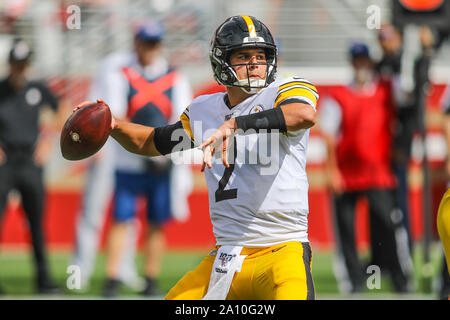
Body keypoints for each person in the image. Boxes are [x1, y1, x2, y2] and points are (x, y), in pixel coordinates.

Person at [75, 15, 318, 300]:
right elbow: (152, 141)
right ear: (223, 61)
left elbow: (303, 115)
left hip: (282, 251)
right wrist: (114, 125)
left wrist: (236, 124)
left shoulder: (285, 90)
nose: (254, 63)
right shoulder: (205, 110)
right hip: (226, 256)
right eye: (243, 55)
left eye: (260, 56)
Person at [100, 20, 193, 298]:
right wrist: (141, 145)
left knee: (156, 221)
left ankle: (150, 277)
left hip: (162, 162)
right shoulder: (122, 74)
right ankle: (112, 277)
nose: (150, 49)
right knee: (121, 218)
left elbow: (182, 117)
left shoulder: (175, 77)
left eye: (154, 43)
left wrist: (162, 151)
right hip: (128, 160)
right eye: (145, 42)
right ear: (136, 43)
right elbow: (116, 115)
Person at [319, 42, 413, 294]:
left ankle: (400, 278)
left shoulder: (386, 87)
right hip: (347, 174)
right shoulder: (339, 95)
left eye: (364, 60)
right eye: (357, 60)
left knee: (388, 226)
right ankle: (354, 281)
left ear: (370, 63)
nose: (361, 65)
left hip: (379, 173)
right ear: (352, 63)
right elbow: (327, 134)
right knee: (347, 230)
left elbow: (408, 100)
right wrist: (332, 171)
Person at [0, 40, 61, 294]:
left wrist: (47, 139)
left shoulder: (38, 88)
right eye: (16, 64)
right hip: (5, 162)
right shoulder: (1, 89)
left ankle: (43, 280)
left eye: (24, 65)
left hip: (30, 161)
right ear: (10, 65)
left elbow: (61, 109)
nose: (20, 70)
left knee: (36, 222)